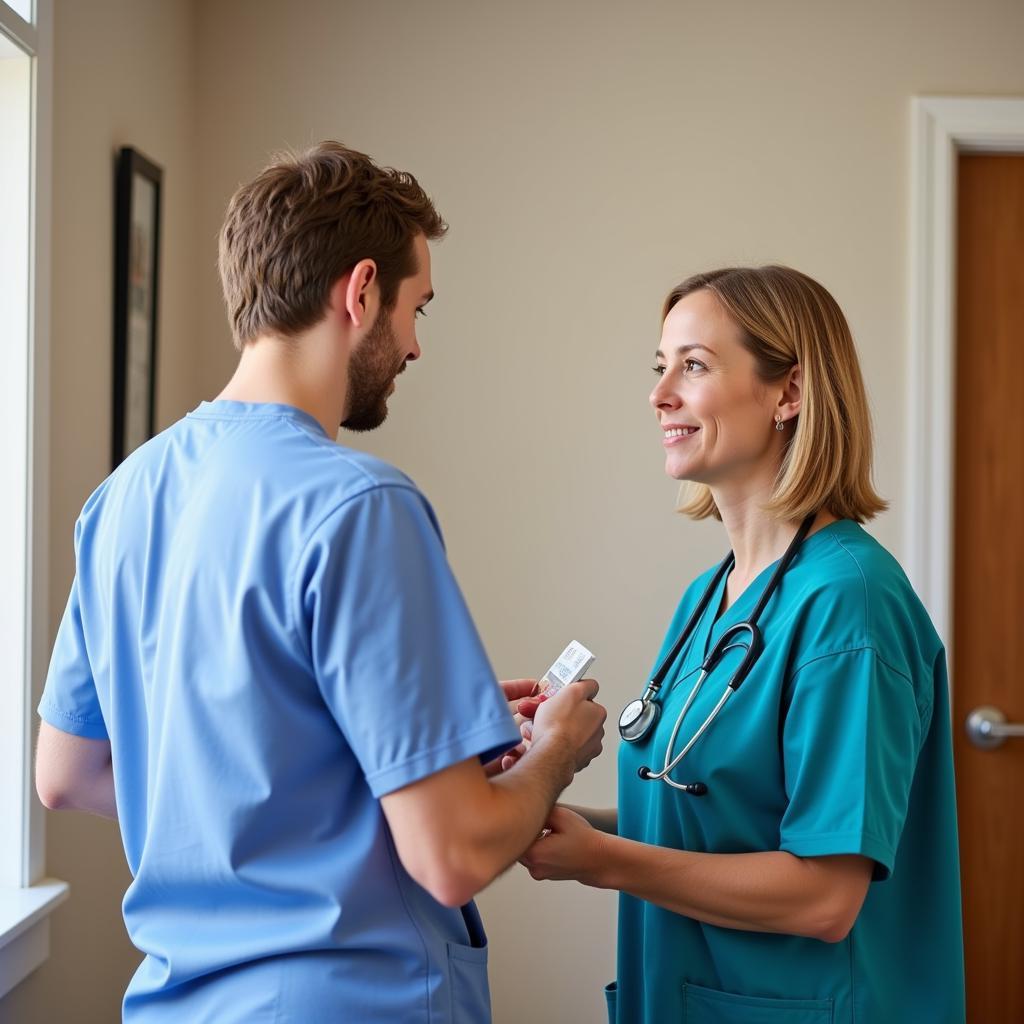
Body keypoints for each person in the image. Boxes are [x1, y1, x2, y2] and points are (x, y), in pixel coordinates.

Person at [35, 141, 606, 1023]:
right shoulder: (361, 504)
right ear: (362, 289)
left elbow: (66, 773)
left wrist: (396, 756)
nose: (414, 346)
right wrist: (556, 754)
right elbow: (453, 855)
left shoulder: (122, 497)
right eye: (417, 308)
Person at [519, 266, 965, 1023]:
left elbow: (826, 895)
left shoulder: (848, 602)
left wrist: (603, 864)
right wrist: (552, 810)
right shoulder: (709, 598)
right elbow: (706, 818)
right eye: (661, 368)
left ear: (789, 392)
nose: (660, 396)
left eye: (692, 366)